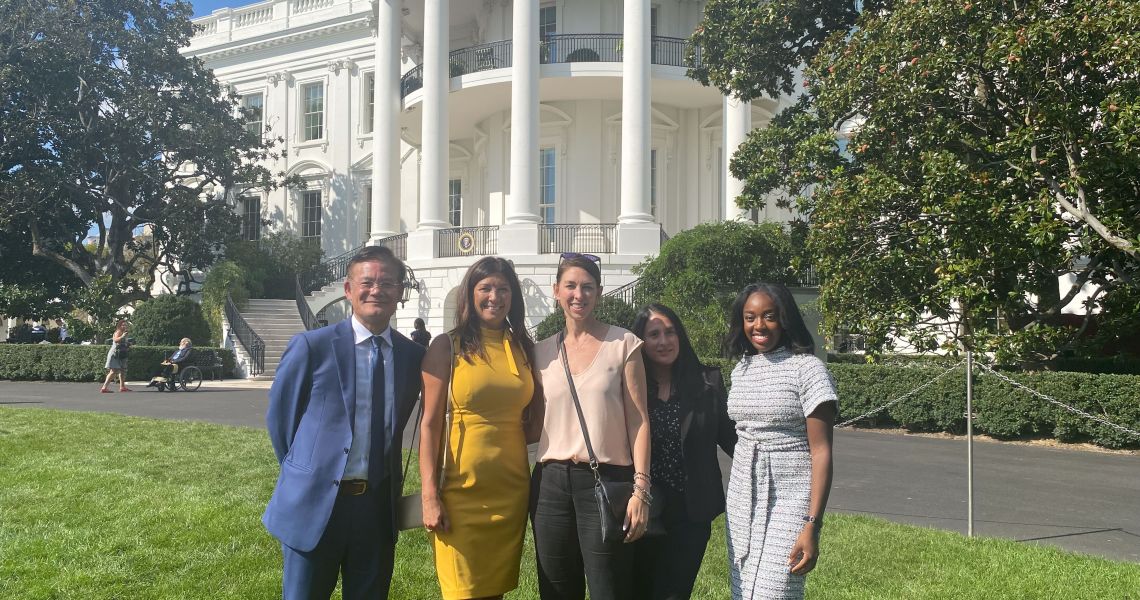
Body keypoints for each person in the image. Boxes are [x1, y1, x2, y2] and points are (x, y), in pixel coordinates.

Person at [263, 245, 426, 600]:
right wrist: (307, 472)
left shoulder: (412, 357)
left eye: (388, 283)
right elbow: (281, 422)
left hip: (376, 508)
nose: (377, 290)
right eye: (367, 282)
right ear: (349, 290)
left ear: (400, 292)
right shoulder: (311, 346)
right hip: (315, 504)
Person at [530, 253, 651, 600]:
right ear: (556, 290)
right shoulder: (541, 352)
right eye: (570, 286)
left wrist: (641, 489)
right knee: (555, 588)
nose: (578, 295)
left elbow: (639, 420)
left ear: (599, 293)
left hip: (606, 480)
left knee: (608, 589)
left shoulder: (623, 344)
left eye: (587, 287)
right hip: (550, 484)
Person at [419, 257, 540, 599]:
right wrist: (429, 496)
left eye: (503, 289)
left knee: (494, 592)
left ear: (513, 296)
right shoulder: (447, 346)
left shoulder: (523, 348)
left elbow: (535, 420)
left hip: (511, 492)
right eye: (485, 288)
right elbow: (429, 425)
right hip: (458, 494)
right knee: (462, 592)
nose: (494, 296)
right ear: (469, 295)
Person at [722, 283, 837, 600]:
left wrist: (812, 525)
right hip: (742, 498)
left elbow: (822, 452)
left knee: (774, 592)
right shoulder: (741, 369)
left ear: (784, 318)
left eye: (768, 316)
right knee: (743, 590)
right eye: (750, 317)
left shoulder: (809, 369)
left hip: (791, 498)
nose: (758, 326)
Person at [630, 304, 737, 600]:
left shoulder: (708, 382)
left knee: (673, 594)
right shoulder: (629, 385)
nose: (663, 341)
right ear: (640, 340)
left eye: (670, 332)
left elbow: (733, 439)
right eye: (653, 334)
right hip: (641, 507)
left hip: (691, 512)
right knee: (637, 590)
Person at [101, 321, 131, 393]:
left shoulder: (124, 333)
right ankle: (104, 387)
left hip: (121, 354)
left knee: (123, 370)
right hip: (115, 354)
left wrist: (128, 343)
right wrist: (122, 336)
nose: (124, 326)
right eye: (123, 325)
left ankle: (122, 387)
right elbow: (115, 340)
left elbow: (122, 343)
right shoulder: (118, 332)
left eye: (126, 325)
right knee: (113, 371)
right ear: (119, 326)